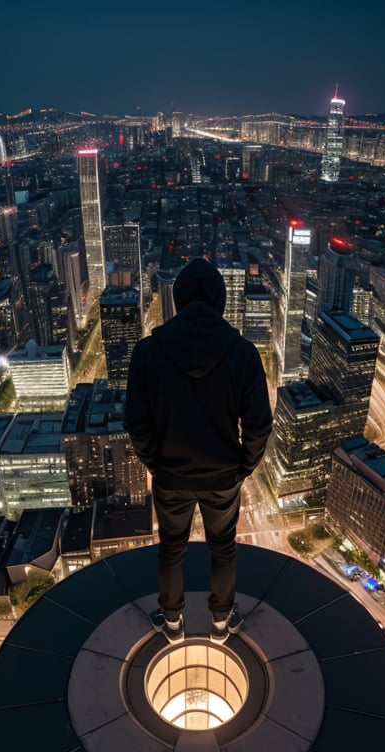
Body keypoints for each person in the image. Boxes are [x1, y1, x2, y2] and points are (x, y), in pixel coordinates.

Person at [124, 258, 272, 644]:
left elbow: (136, 423)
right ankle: (221, 624)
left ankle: (172, 623)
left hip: (170, 474)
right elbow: (259, 425)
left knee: (171, 550)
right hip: (223, 475)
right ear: (221, 301)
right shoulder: (243, 354)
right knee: (223, 549)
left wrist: (155, 462)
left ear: (177, 299)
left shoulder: (147, 353)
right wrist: (243, 468)